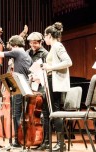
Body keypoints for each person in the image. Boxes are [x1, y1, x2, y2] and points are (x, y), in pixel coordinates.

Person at [0, 35, 32, 147]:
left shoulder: (17, 52)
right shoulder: (27, 55)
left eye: (11, 47)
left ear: (14, 45)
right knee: (20, 114)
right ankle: (22, 138)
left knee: (16, 114)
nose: (10, 49)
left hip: (18, 86)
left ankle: (18, 140)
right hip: (25, 86)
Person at [42, 22, 72, 151]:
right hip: (50, 81)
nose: (44, 39)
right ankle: (48, 141)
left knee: (55, 111)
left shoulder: (57, 46)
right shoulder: (53, 47)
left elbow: (68, 62)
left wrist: (50, 67)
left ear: (49, 35)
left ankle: (61, 143)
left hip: (54, 82)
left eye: (44, 36)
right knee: (48, 111)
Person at [26, 32, 50, 150]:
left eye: (35, 43)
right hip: (31, 86)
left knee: (44, 114)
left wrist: (39, 77)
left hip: (42, 86)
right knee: (32, 114)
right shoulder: (28, 53)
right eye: (30, 43)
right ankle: (34, 139)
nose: (32, 45)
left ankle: (46, 141)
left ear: (41, 42)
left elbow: (48, 70)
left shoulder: (45, 54)